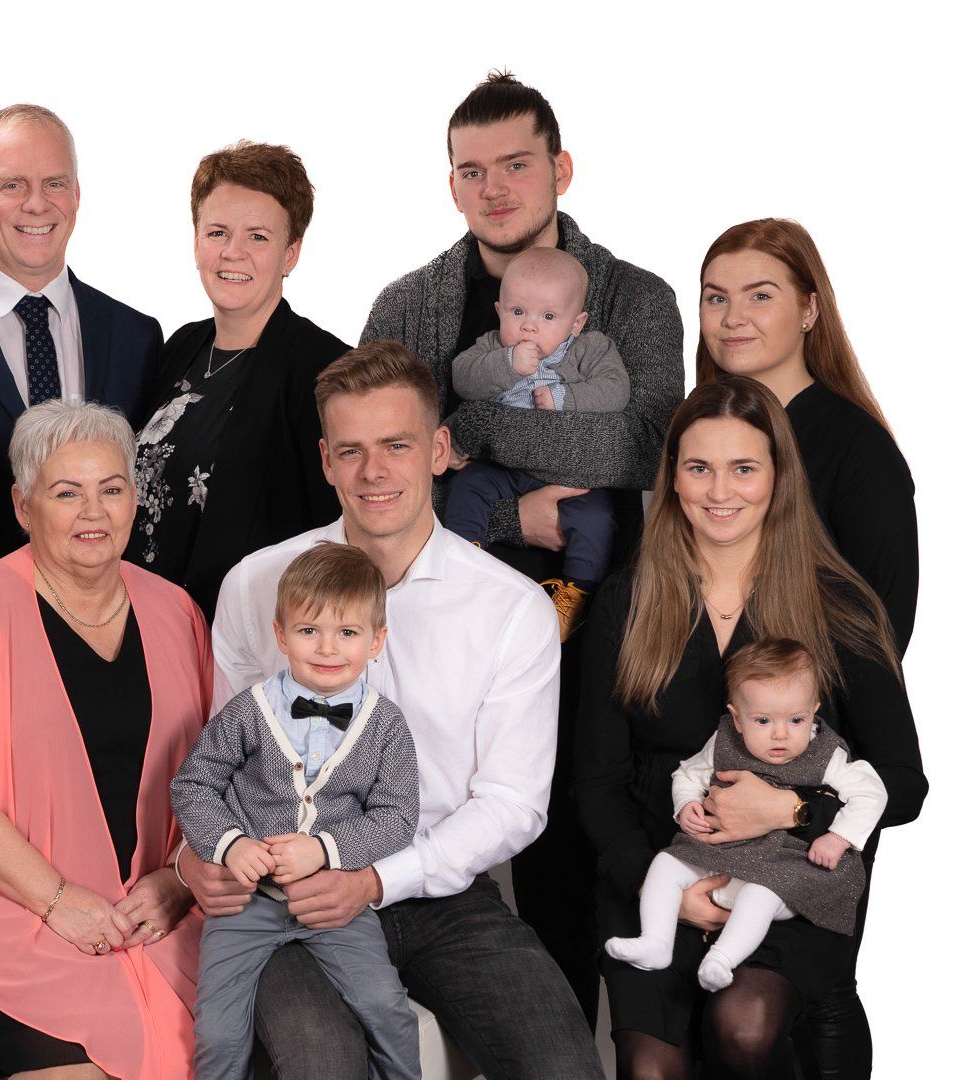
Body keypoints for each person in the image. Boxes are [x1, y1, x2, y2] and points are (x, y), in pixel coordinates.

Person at [359, 71, 683, 1016]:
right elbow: (373, 466)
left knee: (569, 859)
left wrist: (462, 432)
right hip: (435, 627)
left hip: (597, 625)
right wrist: (509, 514)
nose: (494, 188)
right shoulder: (409, 306)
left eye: (516, 165)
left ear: (561, 169)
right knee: (416, 845)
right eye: (472, 171)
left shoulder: (636, 297)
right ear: (451, 185)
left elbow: (641, 446)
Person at [201, 341, 599, 1079]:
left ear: (439, 450)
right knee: (322, 1061)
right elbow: (223, 766)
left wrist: (379, 880)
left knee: (563, 1066)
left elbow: (512, 803)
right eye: (351, 451)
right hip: (292, 894)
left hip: (443, 890)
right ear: (325, 461)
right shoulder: (257, 584)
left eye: (396, 446)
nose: (373, 472)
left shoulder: (511, 608)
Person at [575, 377, 924, 1078]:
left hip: (788, 881)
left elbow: (904, 782)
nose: (719, 491)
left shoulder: (839, 606)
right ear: (672, 478)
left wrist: (795, 810)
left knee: (745, 1026)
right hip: (658, 866)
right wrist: (659, 886)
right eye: (698, 467)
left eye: (743, 468)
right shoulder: (626, 600)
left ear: (778, 476)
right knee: (650, 1071)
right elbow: (595, 780)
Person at [0, 400, 207, 1080]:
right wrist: (55, 899)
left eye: (111, 489)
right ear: (23, 506)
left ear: (135, 499)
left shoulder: (176, 610)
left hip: (160, 914)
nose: (93, 512)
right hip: (18, 913)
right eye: (67, 493)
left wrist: (178, 878)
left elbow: (223, 773)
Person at [171, 541, 420, 1080]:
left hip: (335, 906)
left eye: (347, 632)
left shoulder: (386, 726)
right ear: (281, 634)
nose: (327, 648)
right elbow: (193, 783)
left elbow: (398, 816)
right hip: (245, 907)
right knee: (218, 1030)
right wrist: (230, 845)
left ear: (376, 640)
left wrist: (324, 850)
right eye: (309, 630)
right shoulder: (248, 711)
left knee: (385, 1008)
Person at [0, 105, 163, 559]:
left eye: (55, 184)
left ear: (76, 193)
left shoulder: (136, 338)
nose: (37, 204)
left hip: (105, 593)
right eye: (13, 185)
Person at [129, 141, 349, 618]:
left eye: (258, 237)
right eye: (218, 232)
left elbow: (338, 534)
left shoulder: (327, 370)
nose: (233, 252)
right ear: (196, 242)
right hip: (146, 622)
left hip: (244, 632)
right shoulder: (181, 347)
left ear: (291, 254)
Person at [605, 637, 885, 993]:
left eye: (797, 719)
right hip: (724, 856)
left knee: (761, 894)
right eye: (763, 720)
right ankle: (656, 942)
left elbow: (872, 793)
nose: (781, 734)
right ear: (737, 719)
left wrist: (838, 836)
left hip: (788, 866)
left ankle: (721, 959)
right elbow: (688, 774)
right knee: (665, 863)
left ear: (814, 711)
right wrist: (687, 805)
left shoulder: (827, 754)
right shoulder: (723, 741)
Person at [695, 218, 917, 654]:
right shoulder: (687, 436)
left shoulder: (860, 449)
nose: (733, 318)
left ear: (809, 310)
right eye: (716, 298)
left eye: (760, 296)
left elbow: (883, 632)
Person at [445, 247, 629, 637]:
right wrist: (506, 365)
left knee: (597, 518)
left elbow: (616, 390)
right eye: (518, 312)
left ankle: (576, 591)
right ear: (499, 311)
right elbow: (463, 379)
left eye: (548, 317)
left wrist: (566, 398)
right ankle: (462, 562)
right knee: (467, 487)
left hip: (567, 474)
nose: (529, 327)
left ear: (576, 323)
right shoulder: (492, 348)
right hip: (499, 467)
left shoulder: (590, 349)